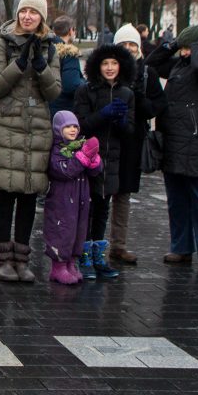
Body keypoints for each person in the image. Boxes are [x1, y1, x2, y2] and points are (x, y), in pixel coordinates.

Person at [0, 0, 61, 283]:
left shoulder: (51, 48)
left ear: (42, 17)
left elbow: (54, 92)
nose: (28, 17)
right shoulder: (4, 43)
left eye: (34, 12)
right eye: (24, 11)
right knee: (6, 192)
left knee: (29, 193)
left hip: (36, 128)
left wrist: (40, 66)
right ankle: (3, 260)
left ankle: (22, 260)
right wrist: (20, 62)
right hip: (7, 125)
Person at [146, 25, 198, 272]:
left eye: (186, 48)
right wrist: (172, 43)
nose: (182, 53)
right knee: (177, 199)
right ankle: (181, 247)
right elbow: (151, 63)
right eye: (180, 48)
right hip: (175, 140)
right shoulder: (180, 64)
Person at [73, 43, 135, 279]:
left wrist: (120, 122)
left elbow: (130, 130)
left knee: (102, 208)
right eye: (105, 63)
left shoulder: (127, 94)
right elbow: (80, 126)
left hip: (113, 161)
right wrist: (104, 114)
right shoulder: (86, 90)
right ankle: (84, 254)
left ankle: (99, 256)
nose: (110, 68)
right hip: (89, 160)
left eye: (114, 63)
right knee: (86, 209)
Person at [110, 24, 166, 264]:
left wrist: (139, 98)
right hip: (107, 138)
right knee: (99, 193)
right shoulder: (108, 68)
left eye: (133, 44)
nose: (129, 49)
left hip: (133, 141)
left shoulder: (147, 74)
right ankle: (90, 243)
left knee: (123, 193)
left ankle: (118, 245)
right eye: (124, 44)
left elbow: (157, 106)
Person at [43, 112, 102, 284]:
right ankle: (58, 266)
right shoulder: (57, 150)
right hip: (62, 201)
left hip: (80, 200)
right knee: (62, 231)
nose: (72, 129)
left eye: (75, 126)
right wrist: (83, 157)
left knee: (78, 230)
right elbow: (66, 170)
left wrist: (94, 159)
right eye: (68, 126)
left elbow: (95, 171)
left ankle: (71, 263)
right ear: (58, 129)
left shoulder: (79, 146)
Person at [49, 16, 84, 115]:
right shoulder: (69, 53)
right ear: (70, 31)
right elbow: (71, 86)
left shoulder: (45, 49)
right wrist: (85, 83)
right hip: (63, 110)